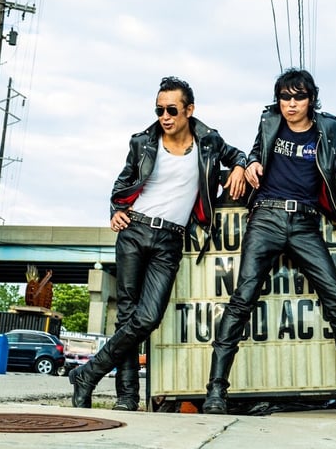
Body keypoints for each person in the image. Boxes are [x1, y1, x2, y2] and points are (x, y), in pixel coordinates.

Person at [202, 68, 336, 419]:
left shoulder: (327, 127)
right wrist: (249, 163)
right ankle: (216, 391)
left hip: (305, 222)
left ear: (311, 99)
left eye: (298, 97)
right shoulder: (269, 121)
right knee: (242, 300)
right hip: (266, 217)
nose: (290, 104)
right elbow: (256, 152)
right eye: (285, 97)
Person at [70, 76, 247, 410]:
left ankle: (88, 373)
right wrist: (115, 210)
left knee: (149, 317)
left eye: (172, 110)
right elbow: (122, 184)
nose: (165, 117)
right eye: (159, 110)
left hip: (170, 240)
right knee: (127, 317)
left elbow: (238, 155)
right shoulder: (143, 142)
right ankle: (126, 398)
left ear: (189, 110)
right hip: (134, 231)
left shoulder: (208, 142)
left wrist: (239, 167)